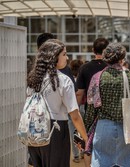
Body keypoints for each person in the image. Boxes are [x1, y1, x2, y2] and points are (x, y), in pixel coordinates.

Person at [27, 39, 88, 167]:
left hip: (33, 129)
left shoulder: (34, 78)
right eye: (64, 54)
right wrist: (86, 139)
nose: (67, 57)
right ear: (54, 57)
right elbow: (75, 116)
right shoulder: (63, 80)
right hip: (56, 130)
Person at [87, 43, 130, 166]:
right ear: (122, 58)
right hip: (126, 127)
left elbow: (92, 108)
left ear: (105, 58)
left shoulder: (98, 77)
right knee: (125, 163)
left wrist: (87, 129)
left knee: (101, 162)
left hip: (103, 127)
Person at [76, 38, 109, 165]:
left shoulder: (85, 67)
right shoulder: (111, 67)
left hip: (89, 109)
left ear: (93, 50)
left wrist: (76, 110)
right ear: (107, 51)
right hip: (107, 110)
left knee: (87, 142)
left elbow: (80, 92)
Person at [68, 59, 84, 163]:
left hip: (71, 108)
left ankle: (76, 156)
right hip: (83, 107)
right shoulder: (82, 79)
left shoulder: (70, 79)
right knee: (83, 131)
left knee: (73, 132)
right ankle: (83, 151)